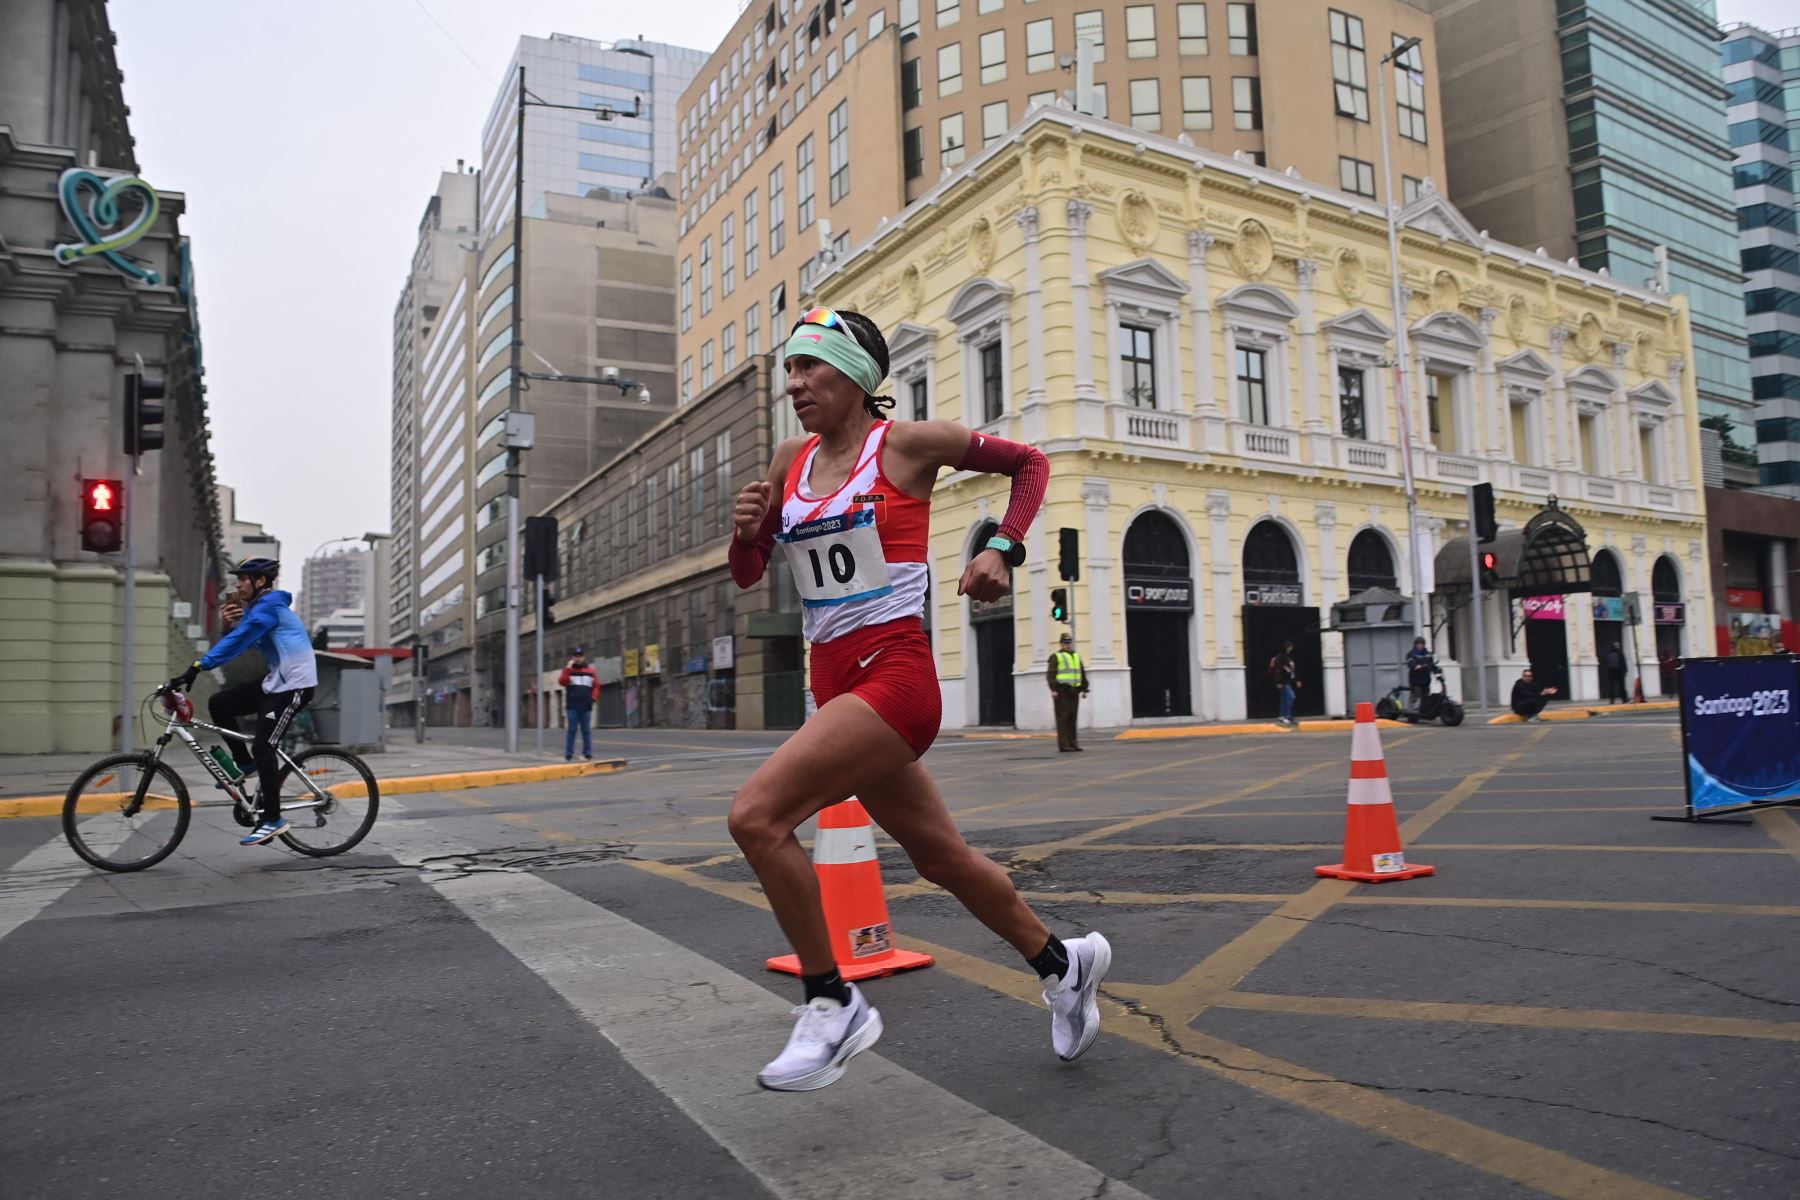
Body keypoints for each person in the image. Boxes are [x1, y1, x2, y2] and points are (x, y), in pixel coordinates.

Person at [728, 306, 1111, 1092]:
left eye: (811, 368)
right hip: (833, 685)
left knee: (756, 818)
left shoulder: (905, 445)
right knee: (941, 857)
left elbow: (1030, 464)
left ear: (858, 376)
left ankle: (834, 1003)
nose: (795, 385)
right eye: (789, 372)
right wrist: (745, 534)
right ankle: (1063, 962)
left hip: (894, 680)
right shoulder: (788, 460)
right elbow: (747, 573)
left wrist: (1004, 548)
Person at [169, 557, 317, 845]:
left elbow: (241, 641)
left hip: (294, 686)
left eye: (242, 579)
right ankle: (245, 764)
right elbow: (242, 639)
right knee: (220, 703)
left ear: (259, 581)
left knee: (264, 745)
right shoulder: (256, 611)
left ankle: (273, 819)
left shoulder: (269, 607)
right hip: (276, 683)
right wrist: (229, 627)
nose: (237, 584)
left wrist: (199, 666)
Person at [1047, 632, 1089, 752]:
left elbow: (1081, 673)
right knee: (1063, 717)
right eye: (1065, 643)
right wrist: (1053, 689)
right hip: (1061, 691)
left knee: (1072, 717)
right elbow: (1051, 675)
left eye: (1069, 642)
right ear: (1060, 643)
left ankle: (1073, 743)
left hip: (1074, 691)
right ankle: (1063, 744)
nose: (1068, 645)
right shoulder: (1056, 656)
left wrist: (1085, 688)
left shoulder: (1076, 656)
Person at [559, 647, 600, 760]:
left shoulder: (590, 672)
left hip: (586, 706)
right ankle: (569, 753)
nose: (578, 658)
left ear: (583, 658)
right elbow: (562, 682)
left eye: (580, 656)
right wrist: (568, 668)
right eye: (576, 656)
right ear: (572, 658)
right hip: (572, 706)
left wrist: (593, 698)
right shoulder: (568, 671)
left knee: (586, 730)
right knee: (572, 730)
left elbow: (596, 686)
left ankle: (588, 752)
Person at [1269, 641, 1300, 728]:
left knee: (1284, 698)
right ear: (1287, 647)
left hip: (1287, 680)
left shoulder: (1288, 657)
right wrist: (1278, 682)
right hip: (1283, 681)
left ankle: (1282, 716)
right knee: (1291, 697)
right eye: (1290, 647)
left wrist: (1296, 679)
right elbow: (1278, 671)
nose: (1291, 648)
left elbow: (1290, 670)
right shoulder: (1281, 657)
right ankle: (1287, 716)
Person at [1404, 636, 1437, 710]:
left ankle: (1424, 710)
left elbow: (1431, 664)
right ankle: (1411, 711)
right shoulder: (1412, 653)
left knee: (1425, 696)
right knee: (1415, 695)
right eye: (1418, 644)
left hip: (1426, 679)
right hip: (1415, 679)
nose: (1420, 646)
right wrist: (1416, 666)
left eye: (1421, 644)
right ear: (1415, 645)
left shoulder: (1428, 654)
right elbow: (1410, 663)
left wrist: (1435, 671)